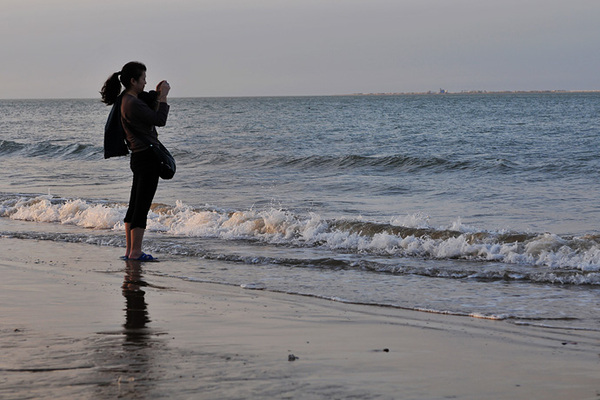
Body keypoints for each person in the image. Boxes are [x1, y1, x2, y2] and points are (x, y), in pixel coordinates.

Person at [101, 61, 171, 261]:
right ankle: (135, 252)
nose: (145, 83)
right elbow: (159, 120)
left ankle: (130, 251)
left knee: (135, 204)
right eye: (143, 79)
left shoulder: (125, 99)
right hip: (147, 158)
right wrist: (164, 97)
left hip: (139, 157)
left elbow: (148, 112)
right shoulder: (132, 103)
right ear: (133, 81)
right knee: (141, 206)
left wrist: (156, 95)